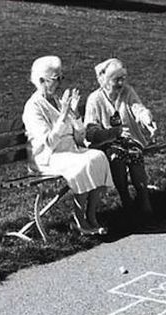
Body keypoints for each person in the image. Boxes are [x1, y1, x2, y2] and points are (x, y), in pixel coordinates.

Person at [22, 55, 114, 236]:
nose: (61, 83)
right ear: (41, 81)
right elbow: (48, 142)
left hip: (69, 151)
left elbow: (79, 139)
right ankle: (79, 219)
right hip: (47, 158)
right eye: (57, 79)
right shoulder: (33, 107)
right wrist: (63, 117)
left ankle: (91, 214)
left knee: (99, 156)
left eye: (61, 78)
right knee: (84, 164)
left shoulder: (57, 101)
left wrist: (75, 116)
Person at [84, 58, 157, 220]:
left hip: (129, 140)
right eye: (116, 80)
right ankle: (125, 198)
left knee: (135, 153)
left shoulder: (127, 92)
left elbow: (138, 108)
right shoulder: (94, 99)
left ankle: (144, 200)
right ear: (105, 81)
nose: (120, 83)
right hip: (106, 143)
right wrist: (112, 133)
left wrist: (147, 119)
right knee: (116, 156)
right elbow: (90, 131)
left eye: (123, 79)